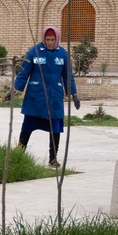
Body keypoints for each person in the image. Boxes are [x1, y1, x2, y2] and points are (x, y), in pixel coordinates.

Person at [14, 26, 79, 168]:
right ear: (44, 39)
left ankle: (53, 158)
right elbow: (23, 72)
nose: (50, 42)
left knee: (55, 127)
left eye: (52, 39)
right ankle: (18, 154)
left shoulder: (63, 54)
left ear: (57, 39)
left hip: (54, 98)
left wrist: (73, 94)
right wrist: (16, 89)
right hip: (35, 98)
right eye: (47, 39)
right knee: (27, 126)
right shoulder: (34, 51)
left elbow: (68, 75)